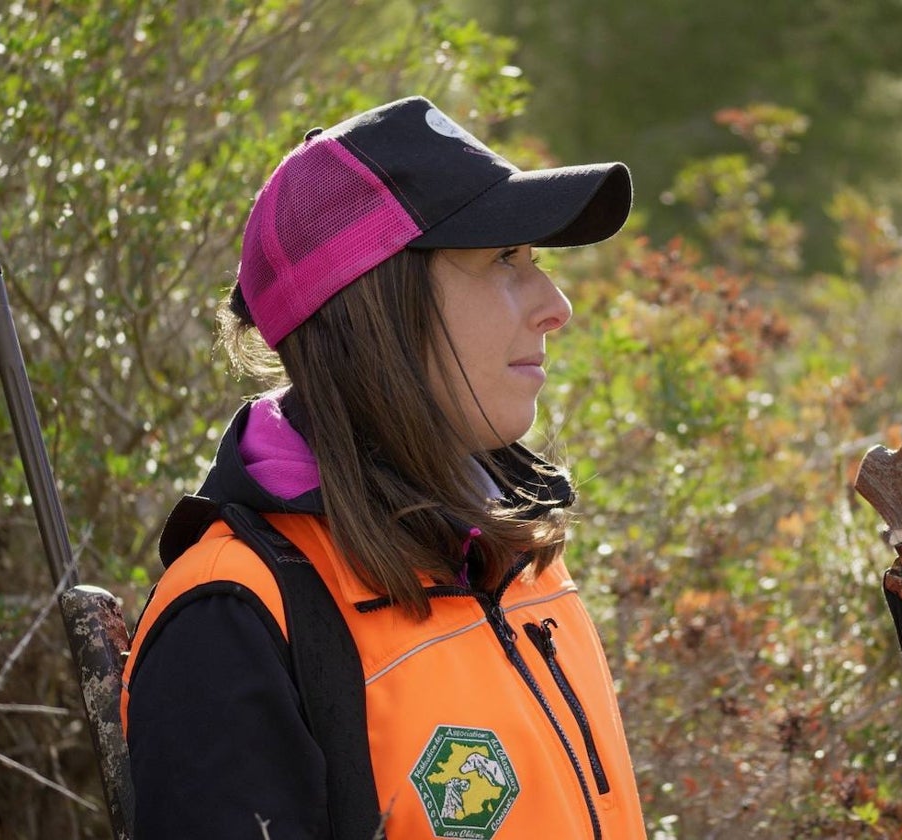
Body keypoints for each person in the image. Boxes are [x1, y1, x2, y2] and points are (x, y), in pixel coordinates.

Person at [119, 95, 645, 839]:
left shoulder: (516, 551)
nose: (554, 305)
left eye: (534, 260)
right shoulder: (233, 622)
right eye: (504, 258)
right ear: (378, 306)